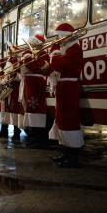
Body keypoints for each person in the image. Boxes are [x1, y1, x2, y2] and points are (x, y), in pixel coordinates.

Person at [48, 23, 84, 168]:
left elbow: (61, 65)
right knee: (62, 119)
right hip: (63, 86)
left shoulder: (74, 48)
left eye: (59, 36)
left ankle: (73, 156)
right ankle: (66, 151)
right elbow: (53, 67)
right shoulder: (66, 49)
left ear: (65, 36)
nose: (58, 39)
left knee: (69, 119)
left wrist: (55, 52)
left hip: (69, 87)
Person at [19, 34, 50, 147]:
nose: (30, 45)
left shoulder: (43, 53)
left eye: (32, 44)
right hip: (29, 83)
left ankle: (39, 138)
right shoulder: (31, 53)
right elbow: (24, 67)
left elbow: (39, 67)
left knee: (36, 109)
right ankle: (33, 136)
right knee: (31, 110)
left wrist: (30, 58)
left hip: (36, 83)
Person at [0, 45, 22, 140]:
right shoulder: (9, 60)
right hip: (7, 86)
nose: (9, 52)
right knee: (4, 110)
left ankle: (16, 132)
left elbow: (20, 76)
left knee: (14, 109)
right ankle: (4, 131)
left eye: (11, 50)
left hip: (14, 88)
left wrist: (13, 75)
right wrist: (1, 81)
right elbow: (6, 73)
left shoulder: (18, 61)